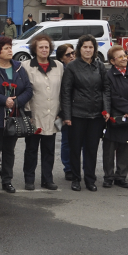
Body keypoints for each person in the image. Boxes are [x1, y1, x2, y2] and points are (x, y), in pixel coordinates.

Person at [0, 37, 32, 193]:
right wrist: (4, 100)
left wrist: (16, 102)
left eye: (11, 48)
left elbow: (29, 89)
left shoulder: (19, 68)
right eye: (7, 48)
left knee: (9, 150)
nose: (10, 51)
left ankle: (7, 181)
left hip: (14, 116)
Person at [61, 35, 111, 192]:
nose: (88, 50)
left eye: (91, 47)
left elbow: (106, 89)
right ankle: (76, 178)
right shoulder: (72, 67)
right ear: (79, 49)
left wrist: (106, 109)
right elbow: (66, 92)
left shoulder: (99, 66)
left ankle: (90, 179)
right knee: (75, 148)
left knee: (92, 149)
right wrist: (67, 116)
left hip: (96, 115)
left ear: (95, 49)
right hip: (77, 114)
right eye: (85, 47)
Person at [23, 34, 62, 191]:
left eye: (47, 47)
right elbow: (24, 90)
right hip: (34, 114)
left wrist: (61, 112)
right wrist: (27, 113)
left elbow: (62, 91)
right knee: (31, 149)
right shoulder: (26, 66)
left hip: (53, 114)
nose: (44, 50)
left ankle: (47, 179)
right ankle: (29, 179)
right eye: (41, 47)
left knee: (49, 150)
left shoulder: (58, 66)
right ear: (34, 49)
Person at [100, 45, 128, 189]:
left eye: (125, 55)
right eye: (120, 57)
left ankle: (121, 176)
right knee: (110, 148)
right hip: (114, 116)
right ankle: (109, 176)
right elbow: (111, 95)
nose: (124, 59)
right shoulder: (108, 75)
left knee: (126, 147)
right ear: (112, 61)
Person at [55, 43, 76, 180]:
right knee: (67, 141)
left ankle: (79, 167)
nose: (72, 56)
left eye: (73, 53)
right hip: (65, 110)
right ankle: (68, 168)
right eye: (68, 54)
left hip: (80, 109)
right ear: (62, 58)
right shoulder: (60, 71)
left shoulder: (78, 68)